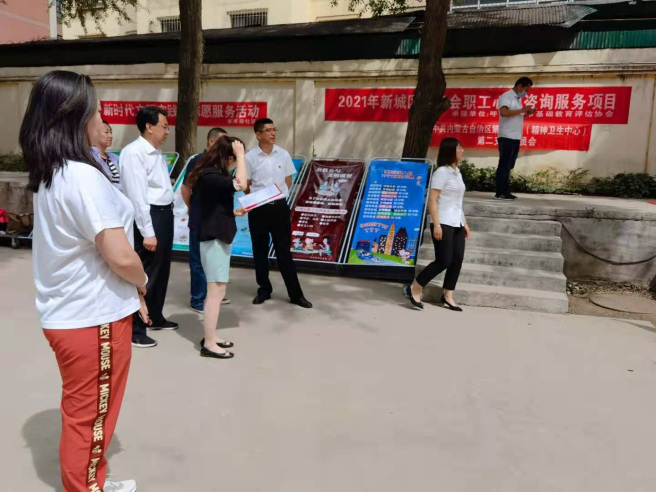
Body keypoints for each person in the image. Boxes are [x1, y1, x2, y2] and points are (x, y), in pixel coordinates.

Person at [19, 70, 148, 492]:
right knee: (90, 418)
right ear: (75, 118)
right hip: (93, 320)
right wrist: (142, 281)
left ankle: (95, 481)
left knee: (88, 413)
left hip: (75, 314)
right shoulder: (82, 177)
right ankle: (86, 487)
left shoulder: (53, 172)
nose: (102, 120)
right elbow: (120, 255)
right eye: (96, 111)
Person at [186, 136, 248, 358]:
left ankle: (211, 336)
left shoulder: (210, 174)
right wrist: (241, 156)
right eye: (236, 159)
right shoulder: (210, 175)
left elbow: (212, 206)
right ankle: (209, 343)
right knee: (216, 291)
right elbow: (241, 184)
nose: (237, 164)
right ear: (229, 157)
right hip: (214, 238)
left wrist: (232, 213)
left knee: (217, 290)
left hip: (216, 235)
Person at [120, 106, 176, 348]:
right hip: (149, 216)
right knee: (145, 272)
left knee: (161, 269)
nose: (167, 131)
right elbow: (137, 196)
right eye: (164, 126)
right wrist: (148, 232)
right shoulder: (134, 153)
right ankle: (136, 329)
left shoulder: (156, 152)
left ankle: (155, 316)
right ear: (149, 127)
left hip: (164, 214)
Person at [245, 118, 312, 308]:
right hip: (258, 209)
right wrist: (258, 199)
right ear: (258, 135)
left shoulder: (283, 154)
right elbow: (246, 185)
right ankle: (264, 290)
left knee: (284, 252)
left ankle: (296, 294)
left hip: (279, 208)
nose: (273, 133)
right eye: (268, 130)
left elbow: (288, 181)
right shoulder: (250, 157)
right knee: (259, 251)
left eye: (274, 129)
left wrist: (276, 196)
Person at [403, 137, 471, 311]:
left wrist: (464, 222)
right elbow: (432, 200)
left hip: (457, 222)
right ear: (451, 151)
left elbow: (457, 202)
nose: (462, 151)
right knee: (443, 260)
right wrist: (437, 224)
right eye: (459, 148)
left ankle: (448, 296)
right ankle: (415, 287)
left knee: (457, 260)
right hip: (443, 222)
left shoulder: (457, 173)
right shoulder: (441, 172)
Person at [181, 127, 231, 313]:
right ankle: (198, 299)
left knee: (215, 259)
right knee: (198, 260)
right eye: (223, 142)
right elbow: (185, 188)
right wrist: (192, 208)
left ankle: (213, 295)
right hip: (201, 218)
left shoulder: (222, 163)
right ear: (211, 142)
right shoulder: (198, 161)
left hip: (218, 220)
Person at [496, 76, 535, 200]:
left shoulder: (517, 99)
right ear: (519, 86)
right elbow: (504, 113)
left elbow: (515, 117)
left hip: (515, 137)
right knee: (504, 165)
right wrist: (521, 110)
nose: (526, 93)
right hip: (507, 136)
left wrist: (526, 114)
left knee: (509, 165)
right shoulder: (507, 97)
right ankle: (501, 192)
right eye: (526, 90)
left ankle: (505, 190)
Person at [91, 119, 121, 189]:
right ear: (95, 134)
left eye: (111, 132)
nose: (110, 136)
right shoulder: (90, 157)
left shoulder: (114, 157)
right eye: (106, 132)